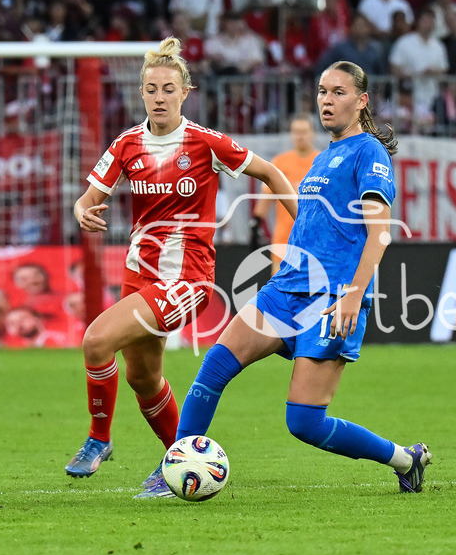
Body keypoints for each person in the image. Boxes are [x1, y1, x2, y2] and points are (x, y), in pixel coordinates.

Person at [135, 60, 432, 499]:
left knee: (304, 422)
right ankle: (172, 467)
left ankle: (406, 459)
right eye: (322, 92)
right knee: (215, 365)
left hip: (331, 299)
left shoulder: (368, 152)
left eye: (338, 93)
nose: (327, 101)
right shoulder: (323, 156)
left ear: (362, 100)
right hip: (286, 289)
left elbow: (379, 234)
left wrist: (353, 295)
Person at [64, 37, 297, 479]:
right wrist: (82, 210)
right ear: (141, 94)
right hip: (139, 275)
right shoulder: (128, 144)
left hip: (187, 280)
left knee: (95, 341)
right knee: (143, 379)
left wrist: (304, 227)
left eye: (168, 89)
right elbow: (88, 198)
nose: (159, 98)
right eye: (151, 89)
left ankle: (99, 439)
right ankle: (183, 458)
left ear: (184, 93)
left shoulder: (206, 143)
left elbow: (269, 171)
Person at [250, 114, 319, 273]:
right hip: (284, 241)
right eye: (296, 132)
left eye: (304, 131)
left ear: (312, 133)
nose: (300, 136)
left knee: (315, 293)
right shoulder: (280, 162)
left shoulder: (321, 161)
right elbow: (266, 198)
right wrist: (256, 222)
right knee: (280, 292)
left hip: (315, 240)